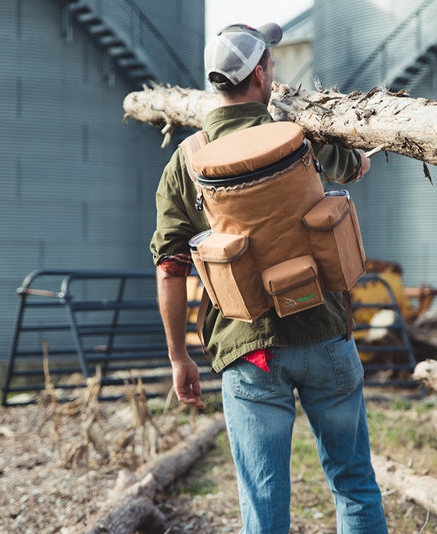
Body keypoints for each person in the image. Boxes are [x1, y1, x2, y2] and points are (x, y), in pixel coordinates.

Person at [150, 22, 388, 534]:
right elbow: (353, 168)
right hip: (324, 333)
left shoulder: (188, 162)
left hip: (249, 350)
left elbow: (170, 268)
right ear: (262, 74)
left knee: (263, 502)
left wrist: (178, 356)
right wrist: (362, 158)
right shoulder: (299, 138)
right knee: (354, 484)